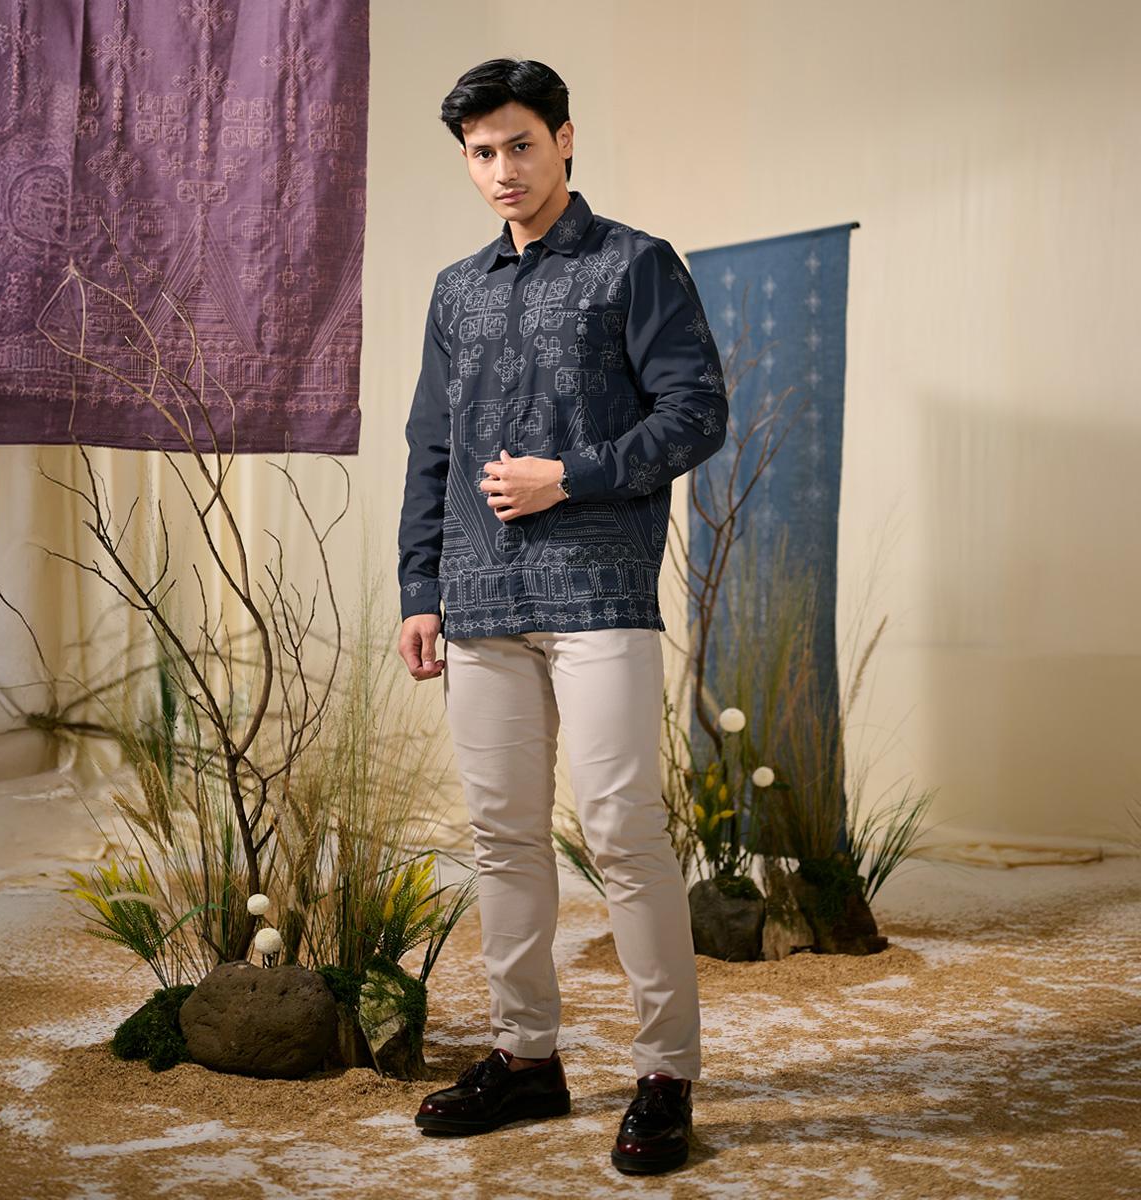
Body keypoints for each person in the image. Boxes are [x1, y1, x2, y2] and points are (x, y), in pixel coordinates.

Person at [396, 56, 729, 1177]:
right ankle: (526, 1058)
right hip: (481, 597)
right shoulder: (457, 290)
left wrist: (569, 478)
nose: (503, 169)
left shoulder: (636, 264)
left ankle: (665, 1075)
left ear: (565, 139)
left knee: (625, 831)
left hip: (599, 594)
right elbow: (431, 448)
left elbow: (697, 413)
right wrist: (420, 588)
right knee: (502, 836)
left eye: (521, 145)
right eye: (481, 153)